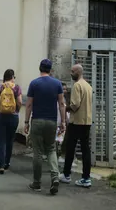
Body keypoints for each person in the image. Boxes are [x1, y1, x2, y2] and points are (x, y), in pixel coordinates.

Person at [24, 58, 66, 195]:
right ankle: (55, 177)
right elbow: (61, 104)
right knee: (51, 149)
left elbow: (29, 104)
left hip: (37, 120)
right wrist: (63, 122)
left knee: (37, 152)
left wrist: (26, 122)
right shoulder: (57, 84)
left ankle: (37, 183)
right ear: (50, 69)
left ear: (40, 68)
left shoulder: (34, 84)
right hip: (52, 121)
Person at [60, 64, 94, 188]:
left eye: (72, 71)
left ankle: (66, 175)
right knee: (85, 150)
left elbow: (75, 104)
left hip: (76, 122)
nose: (70, 73)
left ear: (78, 72)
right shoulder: (88, 86)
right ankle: (86, 178)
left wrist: (65, 108)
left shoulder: (77, 86)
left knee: (70, 148)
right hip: (87, 121)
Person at [0, 68, 23, 174]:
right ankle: (7, 163)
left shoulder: (0, 87)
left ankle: (1, 165)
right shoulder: (17, 87)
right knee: (10, 140)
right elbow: (19, 101)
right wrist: (17, 111)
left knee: (1, 140)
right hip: (13, 116)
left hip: (1, 116)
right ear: (12, 77)